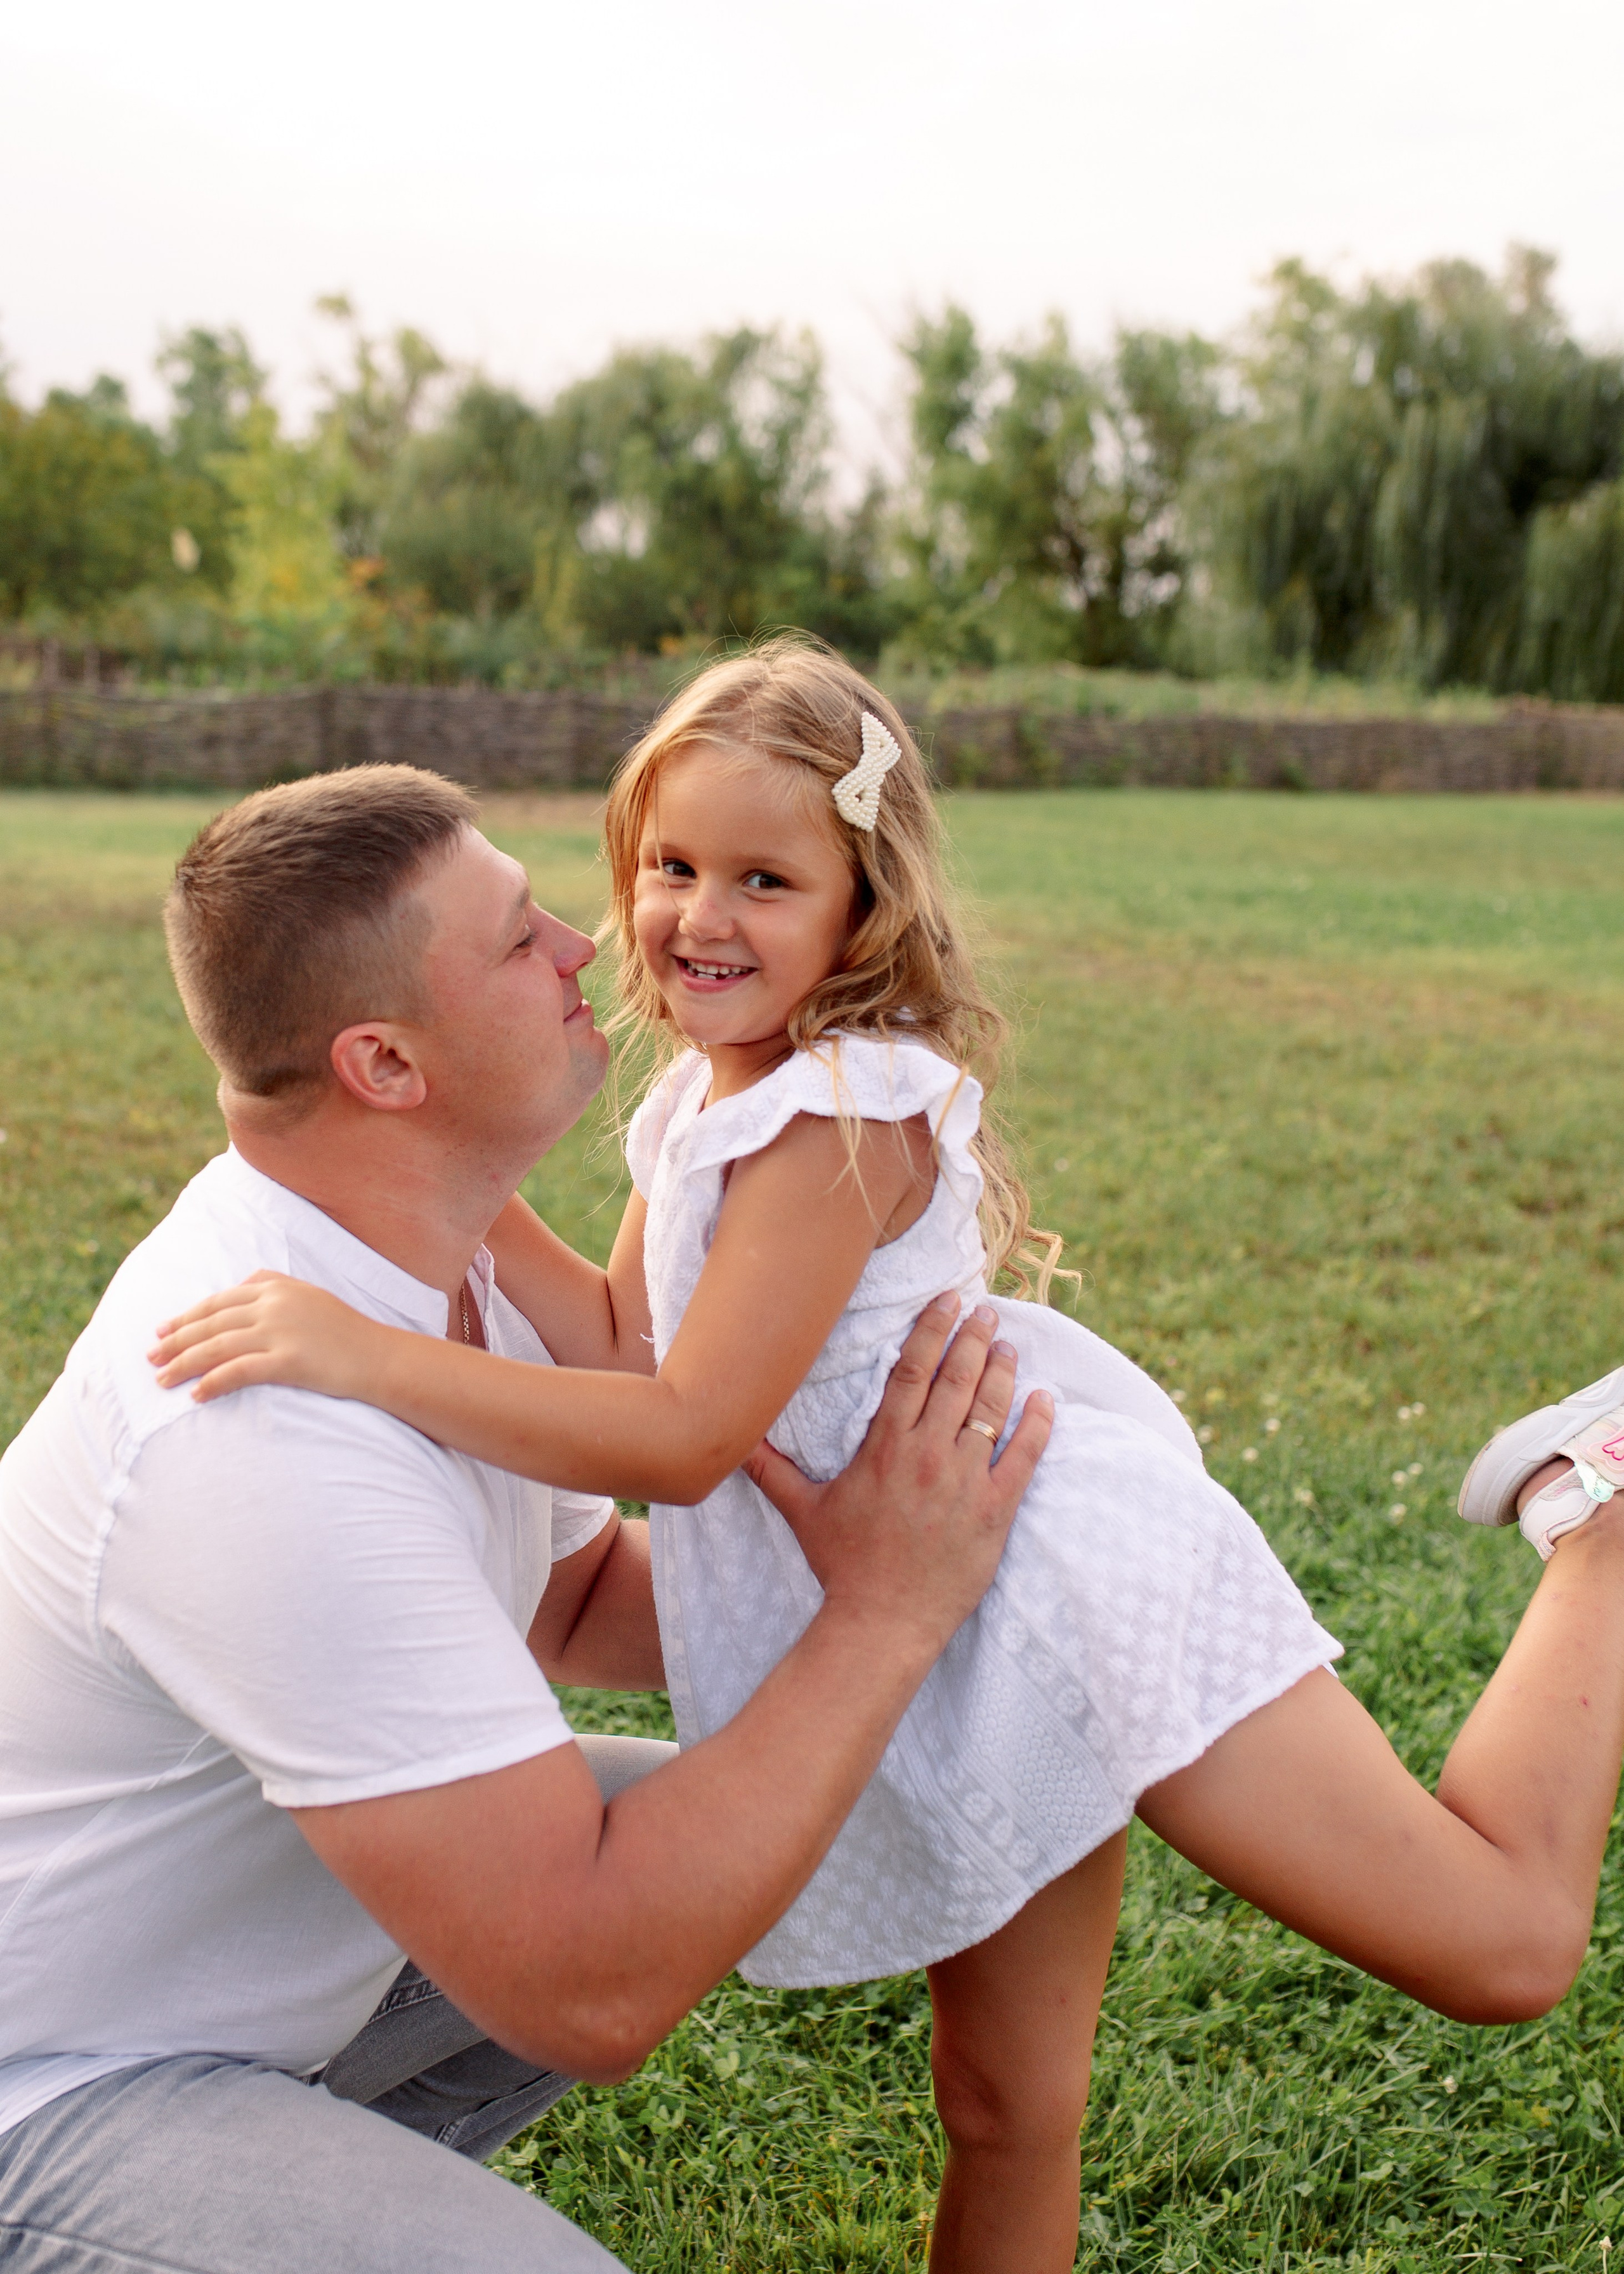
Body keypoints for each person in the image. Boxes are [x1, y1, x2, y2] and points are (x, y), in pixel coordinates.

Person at [154, 640, 1624, 2274]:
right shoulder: (710, 1096)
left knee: (1500, 1946)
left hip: (1050, 1572)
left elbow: (689, 1436)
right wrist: (403, 1136)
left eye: (765, 879)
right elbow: (630, 1344)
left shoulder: (846, 1108)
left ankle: (1600, 1522)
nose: (698, 916)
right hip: (925, 1601)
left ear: (862, 907)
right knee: (1001, 2100)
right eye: (672, 866)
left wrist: (372, 1355)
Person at [0, 761, 1057, 2274]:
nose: (583, 943)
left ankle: (286, 2190)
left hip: (210, 1984)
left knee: (799, 1814)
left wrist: (881, 1573)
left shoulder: (424, 1255)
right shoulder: (258, 1432)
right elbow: (588, 1987)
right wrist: (883, 1618)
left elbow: (560, 1607)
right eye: (513, 938)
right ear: (382, 1064)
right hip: (47, 2081)